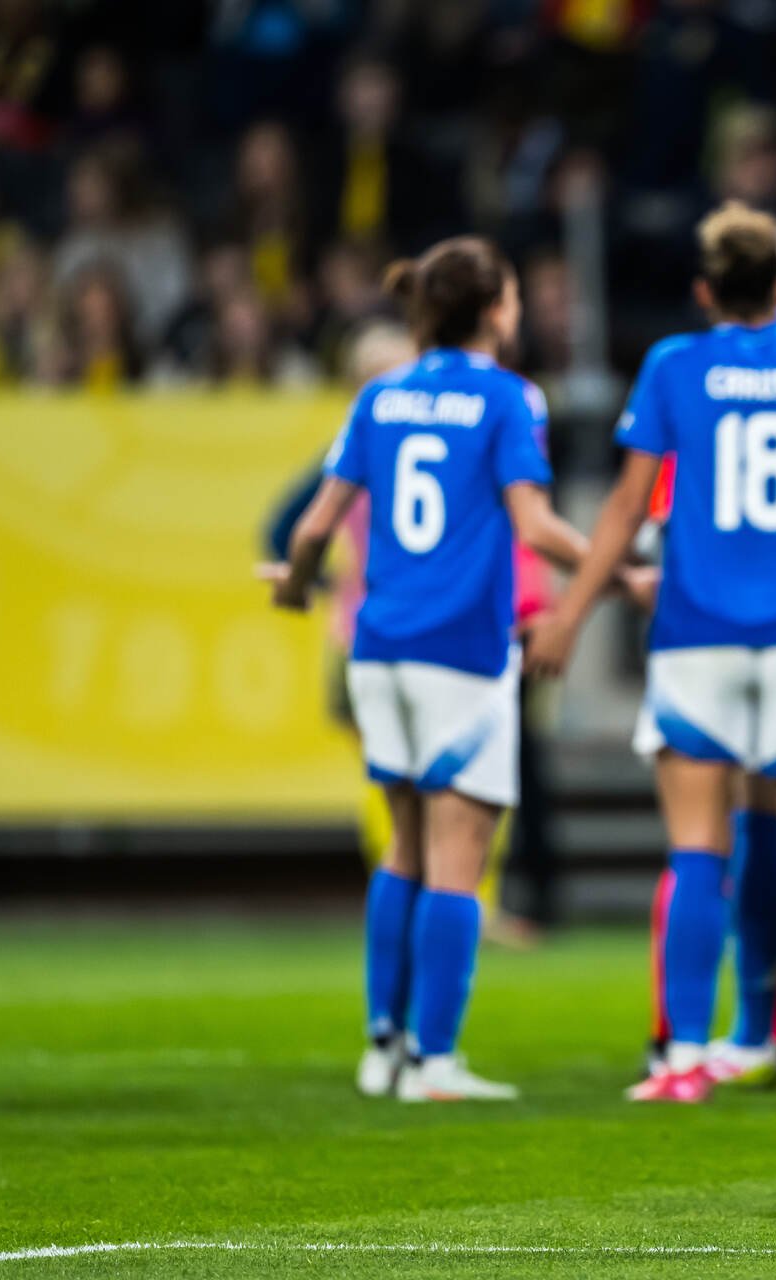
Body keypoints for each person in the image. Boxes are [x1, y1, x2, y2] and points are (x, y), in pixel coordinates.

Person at [532, 203, 776, 1104]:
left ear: (704, 290)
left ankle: (685, 1059)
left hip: (696, 640)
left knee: (697, 850)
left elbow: (623, 511)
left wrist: (572, 614)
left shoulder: (672, 366)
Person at [262, 235, 594, 1103]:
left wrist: (296, 589)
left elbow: (309, 529)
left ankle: (384, 1046)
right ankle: (436, 1061)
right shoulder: (509, 396)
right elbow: (534, 525)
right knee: (458, 854)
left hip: (378, 649)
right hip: (461, 653)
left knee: (403, 845)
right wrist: (616, 568)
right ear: (493, 310)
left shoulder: (380, 395)